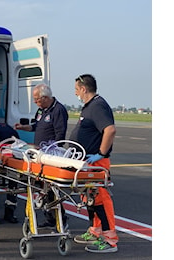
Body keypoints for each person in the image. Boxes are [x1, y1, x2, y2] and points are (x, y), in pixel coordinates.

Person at [70, 74, 119, 253]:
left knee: (101, 199)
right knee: (90, 199)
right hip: (86, 164)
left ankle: (110, 240)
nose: (75, 93)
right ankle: (95, 230)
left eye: (76, 89)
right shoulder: (89, 106)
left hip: (96, 164)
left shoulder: (97, 105)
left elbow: (110, 129)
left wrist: (100, 153)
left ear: (83, 89)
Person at [14, 83, 69, 229]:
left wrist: (45, 148)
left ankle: (61, 219)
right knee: (41, 188)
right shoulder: (41, 110)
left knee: (51, 189)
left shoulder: (58, 110)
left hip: (49, 155)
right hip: (39, 155)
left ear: (45, 97)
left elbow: (60, 137)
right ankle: (50, 217)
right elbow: (35, 126)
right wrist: (23, 127)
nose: (34, 102)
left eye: (36, 99)